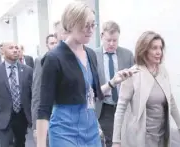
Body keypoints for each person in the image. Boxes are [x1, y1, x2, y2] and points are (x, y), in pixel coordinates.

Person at [36, 2, 136, 147]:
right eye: (85, 25)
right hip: (64, 130)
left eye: (92, 25)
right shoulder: (53, 58)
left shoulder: (90, 54)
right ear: (70, 25)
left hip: (90, 129)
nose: (90, 30)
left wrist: (113, 82)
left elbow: (91, 94)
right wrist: (40, 144)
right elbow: (44, 107)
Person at [112, 31, 180, 147]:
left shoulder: (163, 72)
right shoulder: (133, 74)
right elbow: (120, 109)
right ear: (144, 50)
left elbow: (170, 100)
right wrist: (116, 141)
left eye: (160, 48)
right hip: (140, 138)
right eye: (154, 48)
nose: (159, 52)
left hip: (161, 135)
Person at [0, 42, 33, 147]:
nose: (15, 50)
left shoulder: (27, 70)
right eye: (11, 48)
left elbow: (32, 94)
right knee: (6, 144)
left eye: (16, 48)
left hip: (21, 115)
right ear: (3, 51)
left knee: (20, 143)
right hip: (2, 116)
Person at [95, 21, 134, 147]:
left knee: (126, 139)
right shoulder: (93, 56)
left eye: (115, 40)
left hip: (124, 107)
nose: (112, 44)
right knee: (110, 141)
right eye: (108, 40)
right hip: (104, 108)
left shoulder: (127, 55)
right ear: (101, 36)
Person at [31, 34, 58, 145]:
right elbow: (37, 93)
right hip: (47, 112)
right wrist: (35, 124)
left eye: (57, 43)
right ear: (47, 45)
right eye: (52, 43)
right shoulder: (41, 60)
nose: (55, 45)